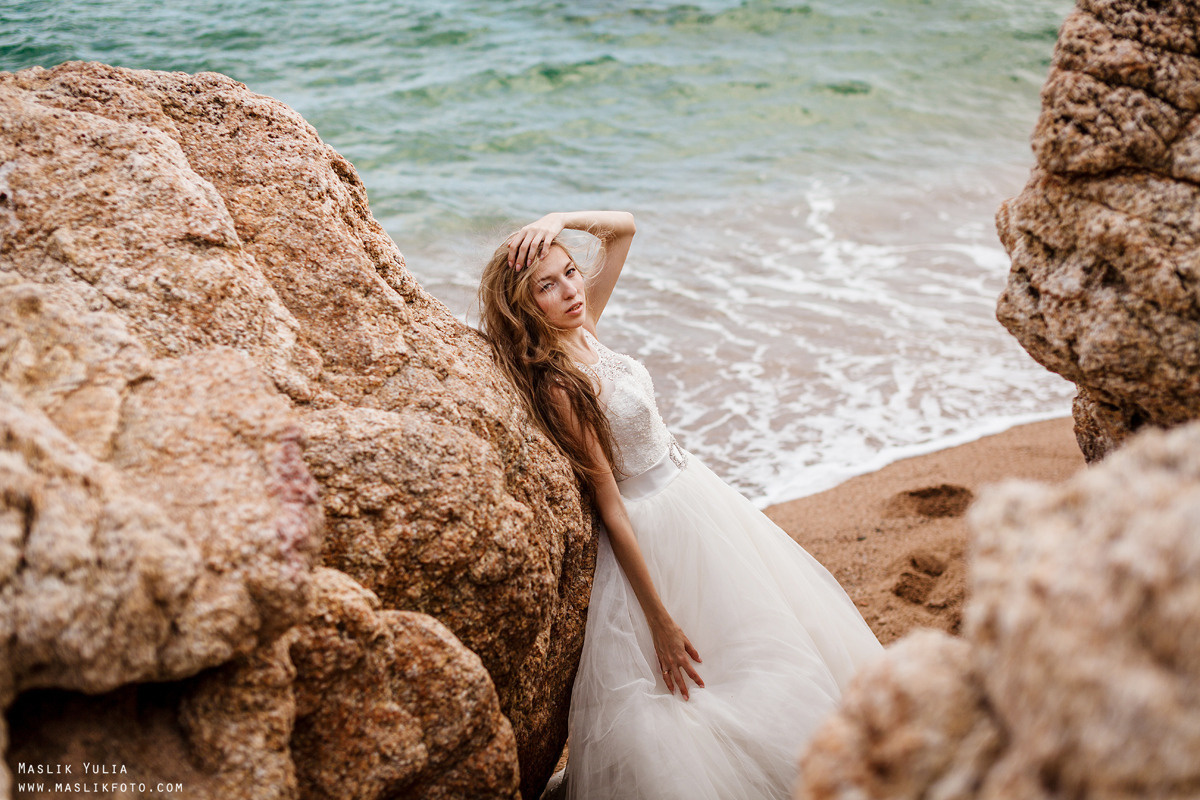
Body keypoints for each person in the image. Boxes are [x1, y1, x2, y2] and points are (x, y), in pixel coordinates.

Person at [478, 211, 883, 800]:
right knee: (697, 684)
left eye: (570, 272)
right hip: (653, 528)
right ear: (524, 305)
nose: (569, 290)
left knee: (771, 636)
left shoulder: (585, 324)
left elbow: (623, 229)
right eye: (548, 285)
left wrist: (558, 219)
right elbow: (611, 506)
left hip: (699, 499)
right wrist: (659, 622)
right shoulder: (560, 382)